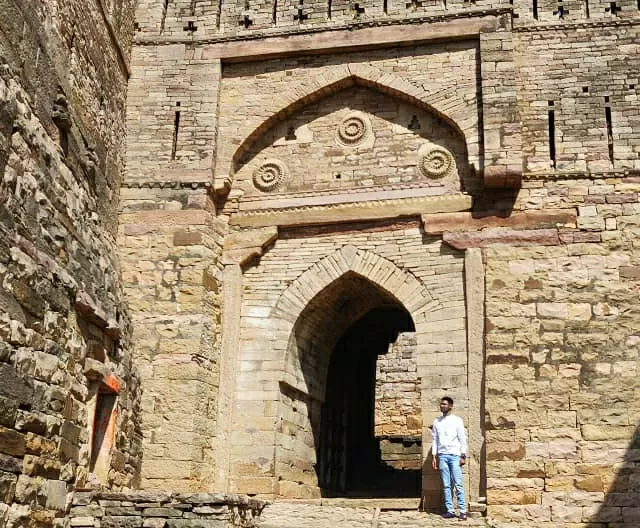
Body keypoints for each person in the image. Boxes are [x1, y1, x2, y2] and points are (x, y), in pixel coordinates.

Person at [431, 396, 468, 520]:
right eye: (441, 404)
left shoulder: (457, 420)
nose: (442, 406)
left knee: (458, 483)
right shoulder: (437, 421)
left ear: (450, 406)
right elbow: (434, 439)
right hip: (442, 455)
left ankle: (463, 511)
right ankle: (450, 510)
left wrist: (463, 455)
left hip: (455, 455)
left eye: (445, 404)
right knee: (446, 484)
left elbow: (462, 438)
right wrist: (434, 456)